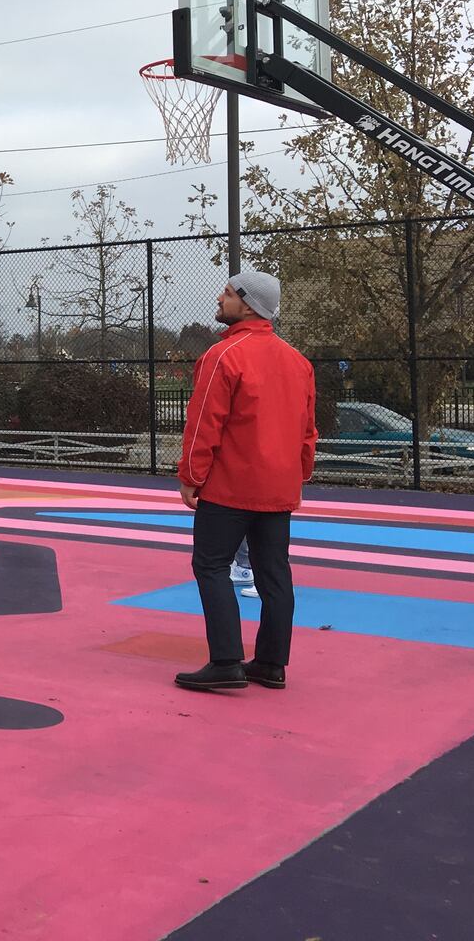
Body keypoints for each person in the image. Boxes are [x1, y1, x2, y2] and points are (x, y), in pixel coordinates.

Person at [174, 269, 317, 693]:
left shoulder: (223, 356)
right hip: (277, 487)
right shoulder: (299, 362)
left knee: (211, 564)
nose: (220, 298)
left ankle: (226, 660)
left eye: (228, 292)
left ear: (248, 303)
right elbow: (307, 430)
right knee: (275, 573)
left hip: (230, 485)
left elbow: (204, 424)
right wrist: (298, 475)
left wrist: (190, 476)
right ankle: (271, 663)